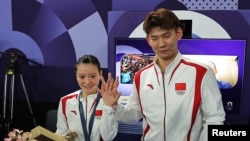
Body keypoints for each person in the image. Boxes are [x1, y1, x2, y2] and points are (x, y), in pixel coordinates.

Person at [101, 8, 226, 141]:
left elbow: (215, 118)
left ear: (178, 33)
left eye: (166, 36)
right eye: (154, 38)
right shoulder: (141, 76)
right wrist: (113, 106)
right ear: (148, 40)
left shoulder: (201, 72)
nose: (161, 44)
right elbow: (133, 114)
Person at [55, 54, 118, 141]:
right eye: (82, 77)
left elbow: (108, 137)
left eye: (92, 76)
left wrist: (108, 107)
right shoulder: (65, 101)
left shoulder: (109, 100)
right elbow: (61, 132)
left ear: (100, 74)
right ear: (76, 75)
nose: (87, 82)